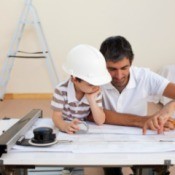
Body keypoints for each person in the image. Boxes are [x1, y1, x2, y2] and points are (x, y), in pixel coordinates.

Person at [97, 36, 175, 175]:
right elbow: (91, 114)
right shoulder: (94, 78)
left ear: (131, 62)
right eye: (112, 69)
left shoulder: (144, 76)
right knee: (111, 167)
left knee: (151, 166)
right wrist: (142, 120)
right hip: (106, 135)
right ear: (102, 64)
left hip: (138, 134)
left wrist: (166, 109)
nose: (119, 75)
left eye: (124, 68)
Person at [51, 44, 111, 134]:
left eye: (97, 83)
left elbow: (100, 121)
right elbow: (56, 116)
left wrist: (91, 100)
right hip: (65, 125)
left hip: (82, 127)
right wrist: (64, 126)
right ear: (74, 79)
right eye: (91, 84)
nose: (96, 87)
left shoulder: (95, 92)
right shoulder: (61, 90)